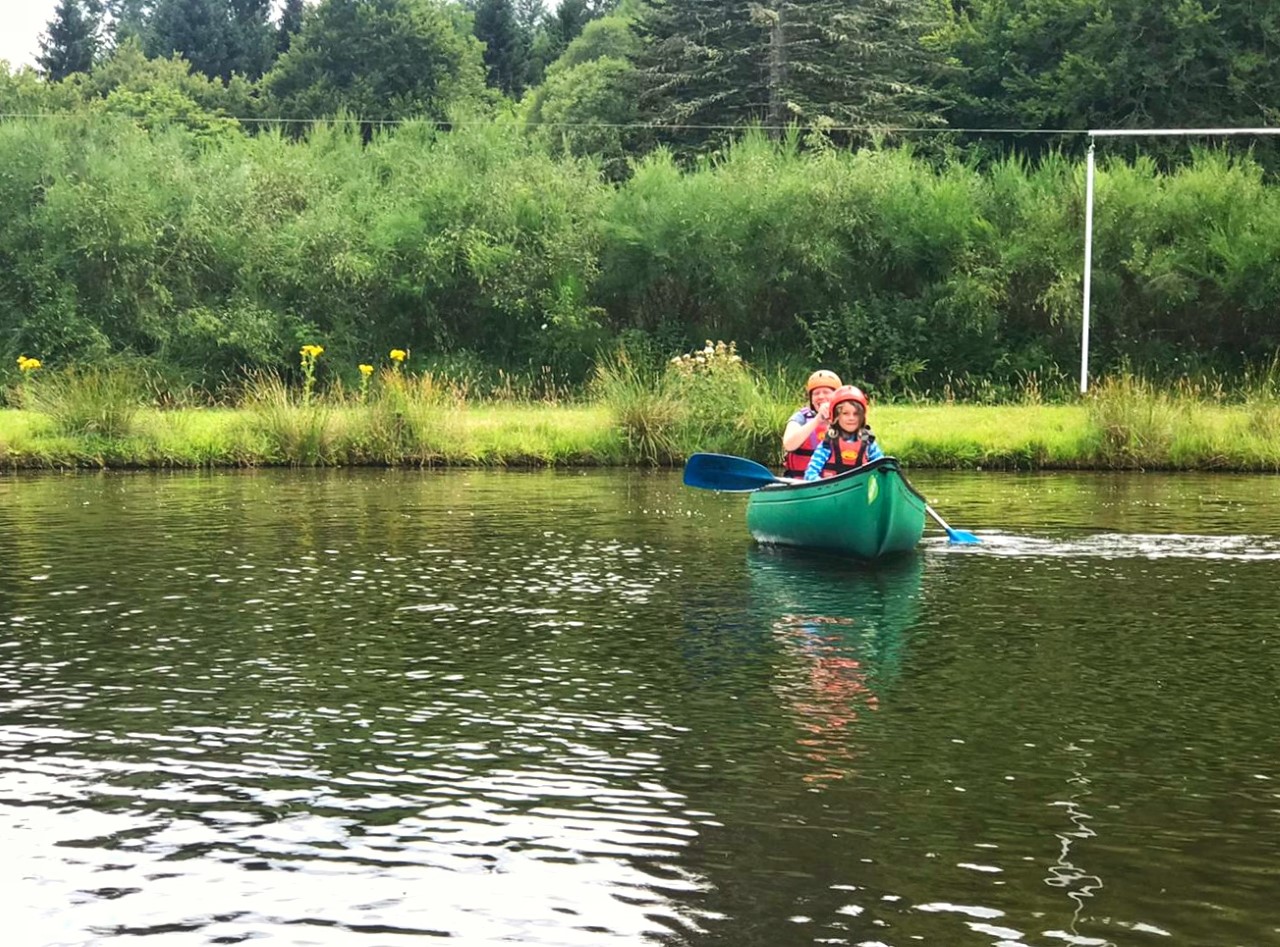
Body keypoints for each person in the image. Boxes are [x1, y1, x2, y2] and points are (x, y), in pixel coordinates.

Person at [803, 385, 884, 480]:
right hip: (831, 490)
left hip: (861, 490)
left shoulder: (868, 442)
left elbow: (882, 467)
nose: (851, 418)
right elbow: (810, 473)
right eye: (845, 413)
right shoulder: (828, 443)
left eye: (856, 414)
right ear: (836, 416)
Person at [781, 369, 842, 476]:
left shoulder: (848, 419)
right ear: (811, 399)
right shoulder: (800, 418)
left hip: (838, 481)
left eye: (826, 392)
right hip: (802, 484)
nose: (821, 397)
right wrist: (817, 420)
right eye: (816, 393)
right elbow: (789, 445)